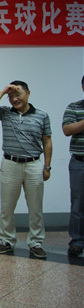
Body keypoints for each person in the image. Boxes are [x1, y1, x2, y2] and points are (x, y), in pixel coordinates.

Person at [0, 80, 52, 259]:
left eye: (18, 95)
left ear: (28, 93)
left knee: (36, 207)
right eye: (11, 96)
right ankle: (6, 241)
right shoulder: (6, 113)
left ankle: (36, 243)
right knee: (7, 207)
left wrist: (47, 166)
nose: (14, 99)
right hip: (10, 164)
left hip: (34, 164)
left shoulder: (42, 115)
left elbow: (47, 141)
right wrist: (2, 91)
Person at [62, 75, 84, 256]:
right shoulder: (74, 107)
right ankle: (77, 241)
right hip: (79, 162)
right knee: (78, 204)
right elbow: (67, 129)